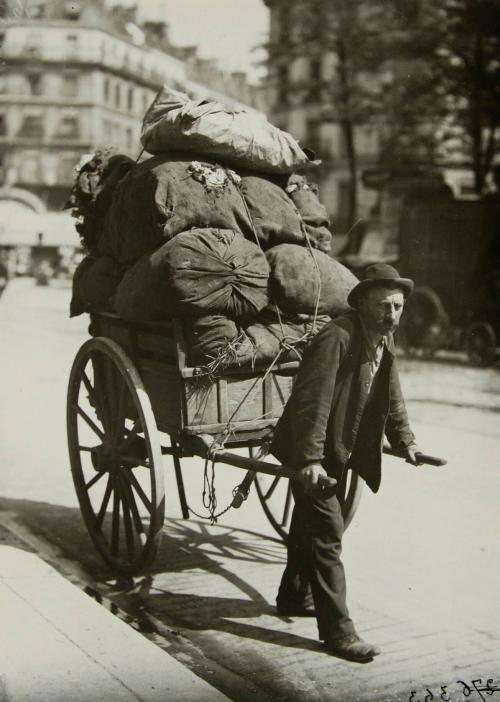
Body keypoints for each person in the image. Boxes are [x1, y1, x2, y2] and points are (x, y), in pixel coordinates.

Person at [270, 262, 424, 663]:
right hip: (314, 450)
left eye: (397, 307)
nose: (390, 315)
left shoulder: (382, 342)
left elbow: (391, 396)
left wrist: (405, 442)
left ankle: (293, 595)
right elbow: (311, 401)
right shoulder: (336, 337)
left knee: (311, 521)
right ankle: (338, 632)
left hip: (338, 449)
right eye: (382, 305)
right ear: (361, 303)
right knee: (327, 529)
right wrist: (308, 460)